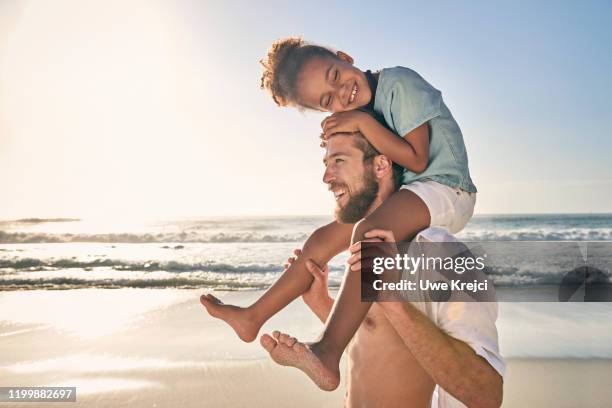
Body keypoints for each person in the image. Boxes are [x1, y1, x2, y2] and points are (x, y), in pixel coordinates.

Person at [200, 37, 477, 390]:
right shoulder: (357, 111)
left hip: (446, 188)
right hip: (409, 194)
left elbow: (417, 158)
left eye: (336, 75)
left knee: (369, 231)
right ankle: (252, 317)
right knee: (322, 239)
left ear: (345, 58)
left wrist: (361, 124)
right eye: (327, 101)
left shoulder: (400, 84)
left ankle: (328, 352)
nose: (341, 93)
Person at [261, 132, 504, 407]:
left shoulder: (445, 255)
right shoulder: (361, 250)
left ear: (381, 166)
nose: (326, 178)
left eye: (339, 161)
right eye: (326, 164)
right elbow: (378, 346)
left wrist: (389, 297)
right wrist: (321, 304)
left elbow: (487, 395)